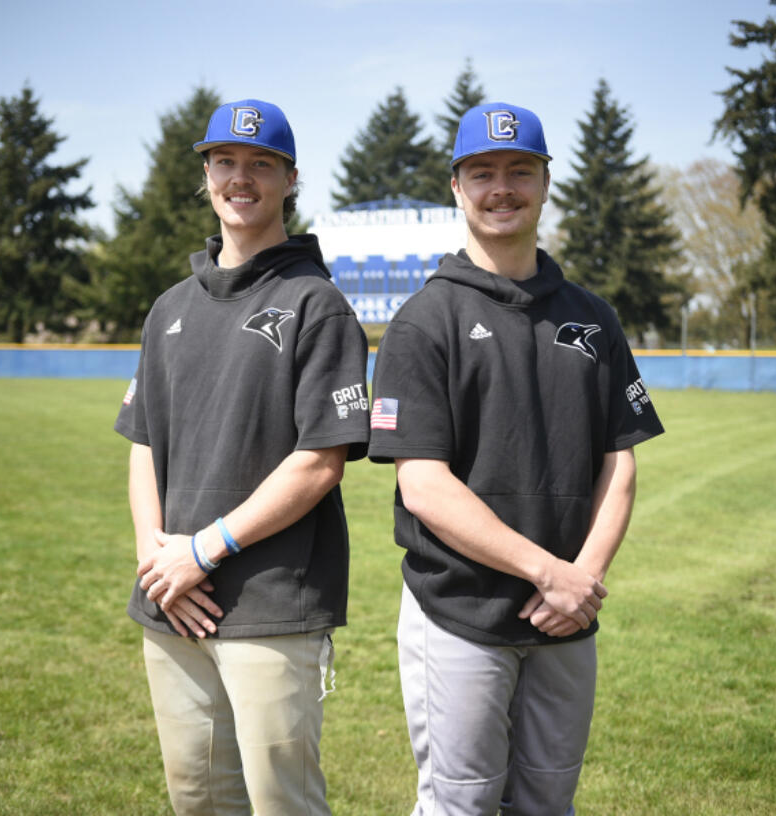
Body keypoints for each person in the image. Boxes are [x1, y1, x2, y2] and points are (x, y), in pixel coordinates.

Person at [367, 102, 665, 815]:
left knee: (547, 804)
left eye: (520, 171)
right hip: (459, 609)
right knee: (459, 805)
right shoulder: (422, 321)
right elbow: (424, 485)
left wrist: (582, 580)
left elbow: (619, 461)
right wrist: (549, 573)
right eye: (483, 172)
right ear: (457, 187)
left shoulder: (592, 316)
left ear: (545, 181)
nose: (502, 188)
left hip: (567, 617)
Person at [114, 98, 370, 816]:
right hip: (173, 602)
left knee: (281, 805)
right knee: (196, 801)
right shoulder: (168, 308)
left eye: (262, 164)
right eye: (225, 161)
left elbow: (321, 460)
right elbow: (143, 444)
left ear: (292, 179)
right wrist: (159, 561)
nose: (241, 177)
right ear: (205, 174)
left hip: (270, 603)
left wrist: (205, 549)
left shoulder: (317, 304)